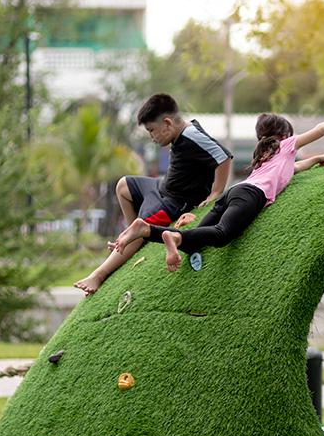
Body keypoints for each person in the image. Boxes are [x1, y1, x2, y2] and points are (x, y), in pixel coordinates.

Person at [112, 114, 324, 272]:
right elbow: (318, 130)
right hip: (251, 196)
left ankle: (145, 229)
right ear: (285, 135)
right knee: (222, 235)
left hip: (233, 193)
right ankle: (173, 236)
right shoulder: (286, 145)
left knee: (196, 242)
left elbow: (294, 168)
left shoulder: (265, 155)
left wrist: (317, 159)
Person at [74, 93, 232, 295]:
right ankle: (132, 238)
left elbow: (223, 157)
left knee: (142, 227)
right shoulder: (181, 132)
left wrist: (216, 192)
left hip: (175, 201)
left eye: (152, 131)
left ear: (167, 123)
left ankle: (99, 274)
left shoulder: (192, 135)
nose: (152, 137)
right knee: (123, 186)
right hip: (161, 187)